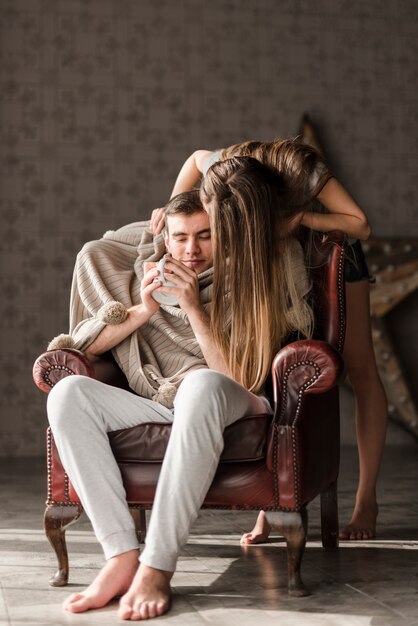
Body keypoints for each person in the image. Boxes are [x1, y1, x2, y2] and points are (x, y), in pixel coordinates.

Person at [46, 158, 313, 620]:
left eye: (205, 235)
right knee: (66, 393)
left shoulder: (253, 275)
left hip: (230, 398)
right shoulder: (149, 274)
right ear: (164, 239)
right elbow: (88, 345)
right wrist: (143, 311)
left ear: (225, 233)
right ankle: (121, 556)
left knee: (201, 386)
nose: (191, 250)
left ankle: (157, 567)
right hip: (165, 401)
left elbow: (239, 379)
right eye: (180, 237)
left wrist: (193, 308)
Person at [150, 139, 388, 542]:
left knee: (361, 370)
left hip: (332, 251)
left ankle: (367, 499)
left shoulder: (301, 168)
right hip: (268, 250)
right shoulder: (220, 169)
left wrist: (299, 221)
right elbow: (193, 158)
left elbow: (359, 223)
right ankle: (270, 505)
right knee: (272, 361)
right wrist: (172, 209)